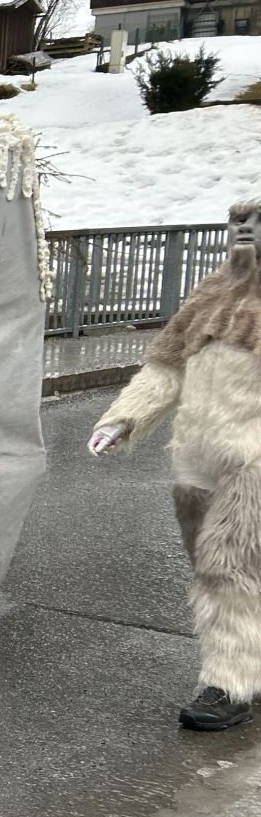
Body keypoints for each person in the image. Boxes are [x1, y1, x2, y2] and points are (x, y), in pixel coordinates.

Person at [90, 196, 261, 732]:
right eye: (238, 219)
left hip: (251, 462)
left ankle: (228, 686)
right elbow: (165, 371)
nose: (245, 229)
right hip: (194, 464)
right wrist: (124, 419)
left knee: (224, 568)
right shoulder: (210, 293)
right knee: (225, 572)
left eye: (258, 220)